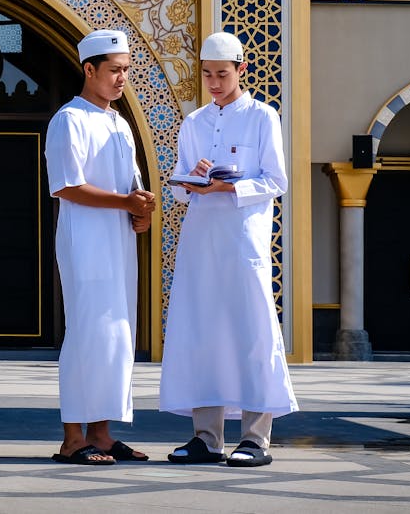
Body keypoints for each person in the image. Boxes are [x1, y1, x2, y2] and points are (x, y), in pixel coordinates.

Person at [160, 31, 298, 467]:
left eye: (222, 74)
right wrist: (194, 177)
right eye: (207, 75)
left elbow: (277, 181)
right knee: (203, 333)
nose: (214, 83)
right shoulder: (194, 122)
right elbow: (180, 187)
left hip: (243, 242)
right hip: (201, 241)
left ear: (242, 70)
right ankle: (206, 438)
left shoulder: (262, 117)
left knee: (250, 332)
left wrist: (232, 186)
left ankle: (256, 438)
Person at [45, 29, 156, 466]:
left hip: (118, 241)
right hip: (85, 241)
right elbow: (68, 186)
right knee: (87, 334)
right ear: (89, 70)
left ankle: (103, 434)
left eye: (126, 70)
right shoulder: (68, 120)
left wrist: (140, 211)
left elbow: (132, 187)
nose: (121, 78)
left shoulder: (120, 124)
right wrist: (126, 202)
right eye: (114, 70)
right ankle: (73, 438)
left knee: (116, 335)